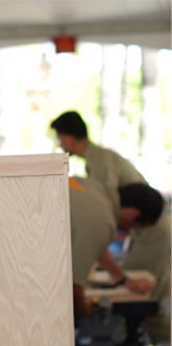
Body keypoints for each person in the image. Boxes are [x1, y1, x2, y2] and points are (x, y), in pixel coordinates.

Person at [51, 110, 170, 339]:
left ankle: (162, 336)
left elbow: (96, 234)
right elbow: (96, 232)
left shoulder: (96, 175)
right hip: (140, 214)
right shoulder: (102, 211)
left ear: (68, 137)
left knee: (148, 295)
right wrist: (82, 307)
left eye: (59, 137)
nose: (59, 143)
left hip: (153, 222)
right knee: (137, 290)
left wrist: (122, 279)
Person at [68, 178, 164, 318]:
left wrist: (124, 280)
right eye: (136, 228)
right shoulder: (102, 222)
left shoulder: (92, 187)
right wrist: (83, 310)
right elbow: (73, 287)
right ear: (133, 214)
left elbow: (96, 247)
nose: (130, 231)